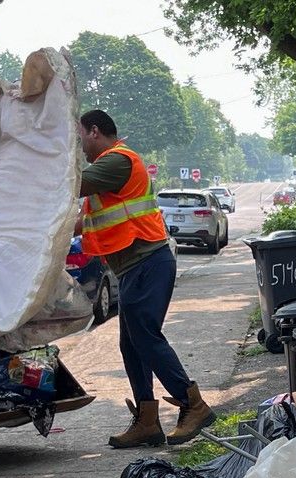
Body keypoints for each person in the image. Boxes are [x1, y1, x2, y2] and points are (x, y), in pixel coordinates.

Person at [77, 109, 215, 448]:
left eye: (79, 135)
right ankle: (147, 420)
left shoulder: (117, 161)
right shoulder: (106, 174)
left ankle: (192, 403)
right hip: (134, 268)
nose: (78, 145)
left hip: (148, 262)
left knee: (145, 336)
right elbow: (80, 224)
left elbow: (70, 182)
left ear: (95, 131)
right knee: (131, 343)